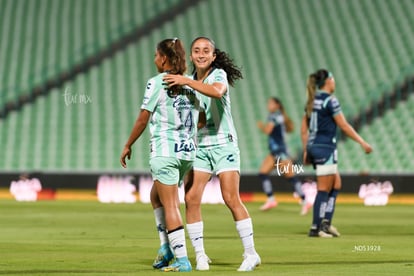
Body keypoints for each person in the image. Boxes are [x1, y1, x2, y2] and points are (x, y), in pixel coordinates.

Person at [163, 37, 261, 271]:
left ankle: (251, 253)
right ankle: (200, 256)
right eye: (197, 50)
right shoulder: (191, 82)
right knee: (191, 198)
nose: (201, 54)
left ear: (214, 56)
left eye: (206, 50)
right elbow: (201, 118)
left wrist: (185, 81)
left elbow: (216, 93)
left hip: (224, 144)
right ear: (191, 56)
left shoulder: (217, 75)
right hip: (201, 147)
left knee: (230, 197)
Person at [120, 38, 202, 272]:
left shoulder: (157, 82)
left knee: (171, 205)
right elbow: (202, 116)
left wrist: (128, 144)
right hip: (187, 154)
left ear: (164, 58)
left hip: (165, 152)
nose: (155, 59)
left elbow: (143, 118)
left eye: (156, 55)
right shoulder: (192, 82)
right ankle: (166, 248)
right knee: (156, 196)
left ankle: (182, 260)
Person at [301, 69, 372, 238]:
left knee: (336, 184)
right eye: (333, 78)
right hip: (325, 148)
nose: (335, 82)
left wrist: (306, 149)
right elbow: (344, 125)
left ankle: (326, 223)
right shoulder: (330, 101)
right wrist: (362, 142)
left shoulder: (312, 100)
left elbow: (304, 128)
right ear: (328, 81)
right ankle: (316, 228)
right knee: (324, 188)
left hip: (314, 146)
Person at [257, 97, 312, 214]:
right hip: (275, 151)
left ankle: (305, 200)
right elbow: (288, 129)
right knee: (263, 173)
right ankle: (271, 199)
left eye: (270, 103)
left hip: (280, 152)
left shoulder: (274, 116)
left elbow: (268, 130)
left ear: (277, 105)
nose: (268, 105)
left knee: (290, 176)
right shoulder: (280, 116)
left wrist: (261, 126)